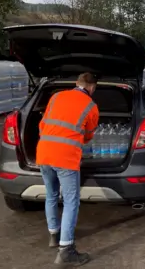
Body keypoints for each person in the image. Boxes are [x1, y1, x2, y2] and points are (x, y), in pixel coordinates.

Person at [36, 72, 99, 266]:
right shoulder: (91, 106)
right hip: (66, 158)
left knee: (51, 194)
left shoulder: (56, 96)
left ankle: (54, 235)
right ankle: (66, 251)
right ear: (92, 88)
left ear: (77, 83)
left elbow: (42, 125)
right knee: (71, 201)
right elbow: (88, 135)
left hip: (44, 153)